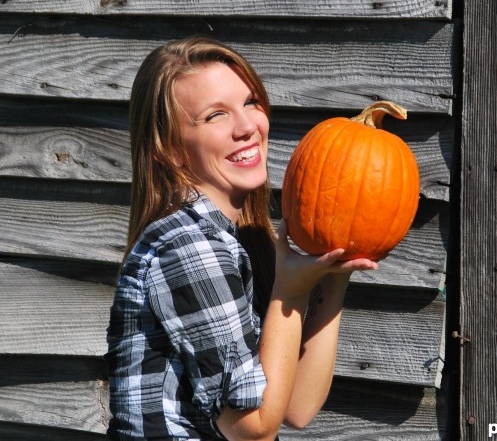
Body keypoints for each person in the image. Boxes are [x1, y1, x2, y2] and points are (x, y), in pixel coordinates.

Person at [105, 35, 378, 441]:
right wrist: (289, 292)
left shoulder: (234, 240)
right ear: (170, 149)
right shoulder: (187, 244)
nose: (248, 126)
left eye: (250, 103)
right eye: (216, 115)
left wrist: (336, 274)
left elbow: (297, 408)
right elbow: (252, 428)